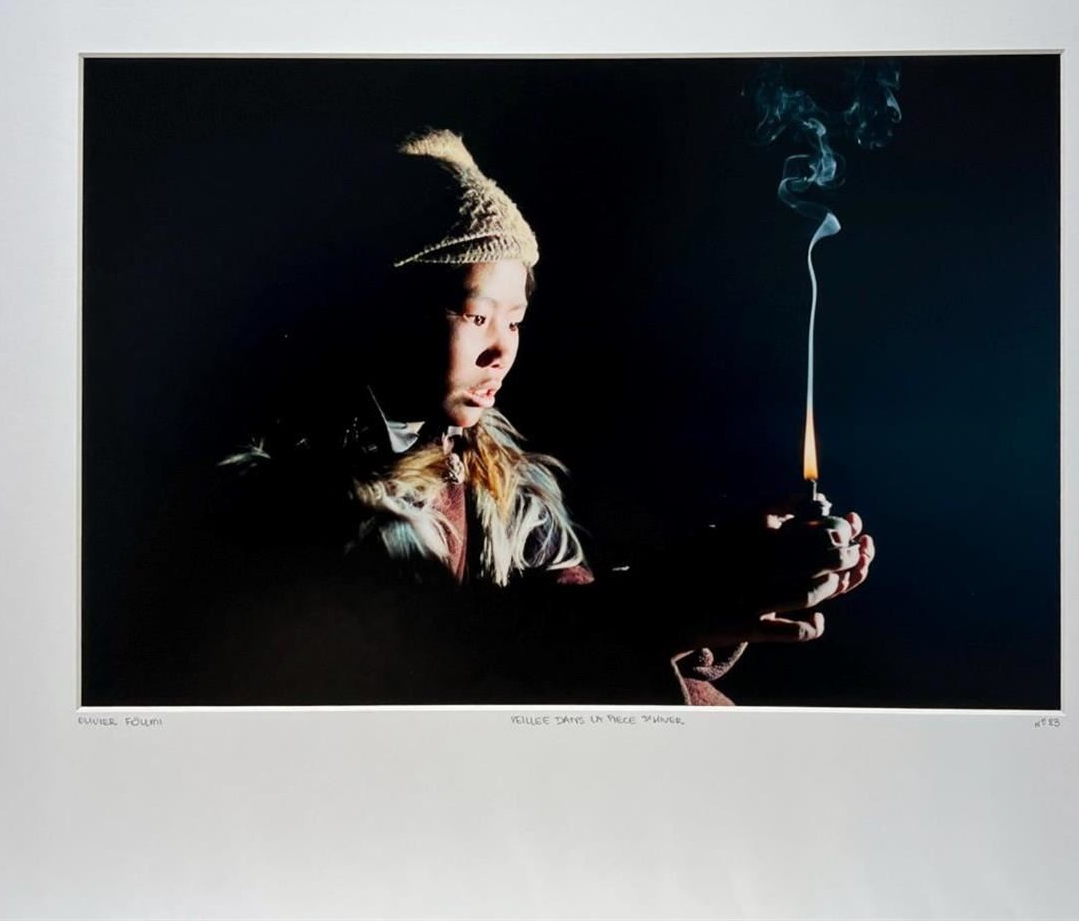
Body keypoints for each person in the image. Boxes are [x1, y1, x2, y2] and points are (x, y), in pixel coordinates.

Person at [210, 128, 875, 706]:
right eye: (475, 316)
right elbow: (454, 664)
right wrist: (676, 600)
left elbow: (574, 615)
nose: (500, 350)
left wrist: (729, 575)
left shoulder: (507, 488)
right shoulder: (292, 496)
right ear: (384, 310)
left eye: (516, 321)